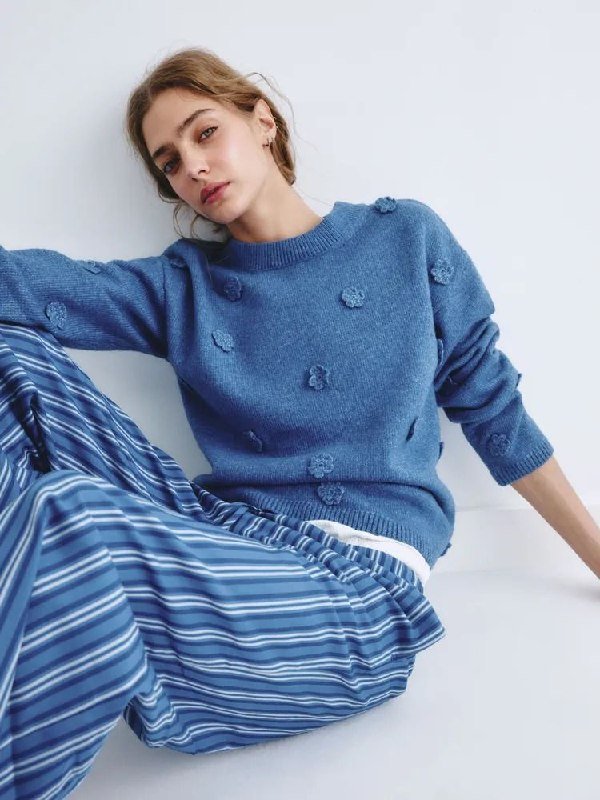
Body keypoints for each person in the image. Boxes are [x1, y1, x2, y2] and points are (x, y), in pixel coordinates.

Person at [0, 46, 597, 800]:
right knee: (10, 356)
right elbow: (22, 284)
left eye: (204, 132)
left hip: (354, 592)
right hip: (220, 538)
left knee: (69, 513)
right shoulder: (184, 284)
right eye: (170, 161)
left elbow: (495, 408)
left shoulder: (405, 239)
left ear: (264, 121)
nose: (192, 166)